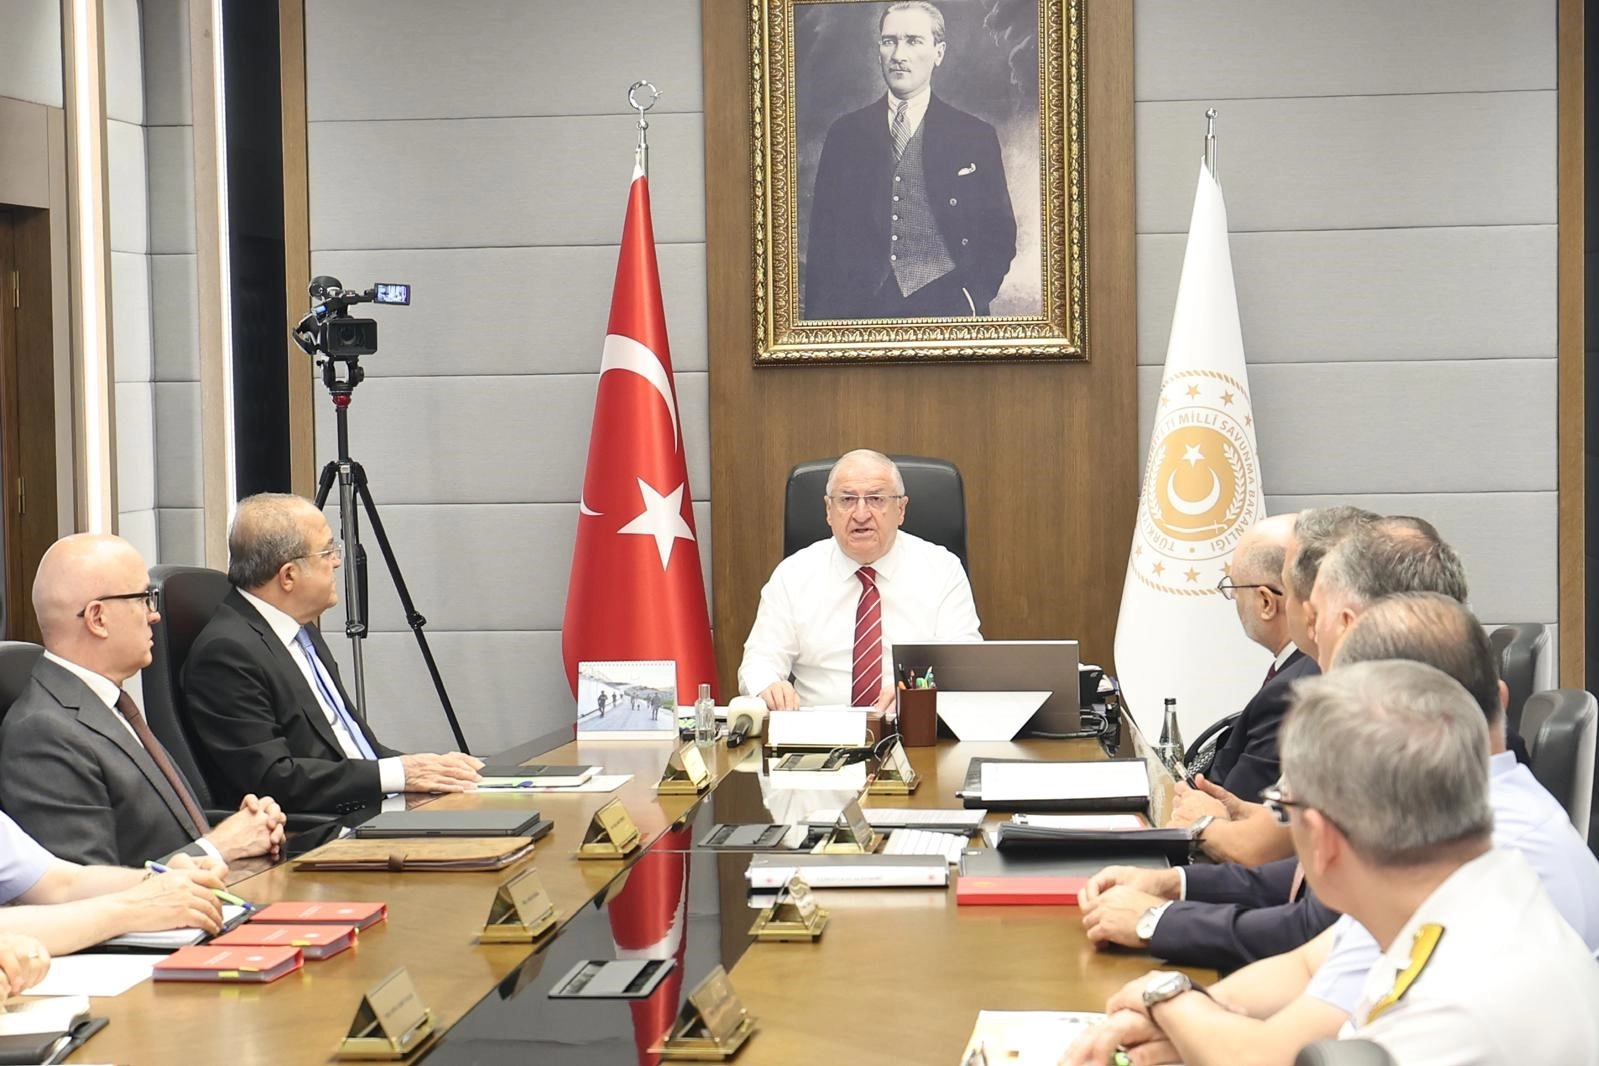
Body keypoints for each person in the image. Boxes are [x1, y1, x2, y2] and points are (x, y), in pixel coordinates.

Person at [1068, 597, 1599, 1066]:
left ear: (1322, 839)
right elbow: (1305, 966)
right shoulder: (1459, 883)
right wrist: (1184, 1014)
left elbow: (1269, 1054)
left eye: (1284, 805)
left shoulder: (1457, 1003)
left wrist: (1168, 998)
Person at [1165, 513, 1456, 867]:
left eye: (1314, 604)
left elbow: (1273, 860)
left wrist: (1204, 828)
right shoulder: (1417, 687)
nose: (1309, 620)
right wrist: (1239, 813)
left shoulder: (1371, 717)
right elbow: (1290, 832)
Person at [182, 494, 483, 813]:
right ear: (288, 575)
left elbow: (348, 747)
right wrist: (399, 774)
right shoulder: (226, 654)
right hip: (320, 829)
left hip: (366, 806)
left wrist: (430, 769)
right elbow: (272, 780)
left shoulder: (299, 629)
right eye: (327, 552)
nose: (337, 561)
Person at [0, 534, 286, 867]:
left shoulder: (108, 703)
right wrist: (218, 847)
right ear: (97, 618)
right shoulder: (42, 734)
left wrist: (245, 828)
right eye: (144, 598)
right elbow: (92, 886)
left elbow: (163, 833)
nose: (155, 615)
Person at [803, 1, 1017, 319]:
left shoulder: (975, 135)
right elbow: (822, 241)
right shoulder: (845, 134)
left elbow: (999, 232)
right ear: (879, 50)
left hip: (948, 308)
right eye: (889, 41)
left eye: (913, 41)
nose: (898, 55)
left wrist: (972, 297)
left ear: (938, 53)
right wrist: (819, 327)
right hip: (859, 309)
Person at [738, 449, 980, 710]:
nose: (861, 514)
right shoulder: (793, 574)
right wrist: (768, 687)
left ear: (900, 509)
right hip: (819, 727)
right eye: (847, 499)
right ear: (829, 510)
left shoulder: (942, 570)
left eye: (876, 499)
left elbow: (965, 665)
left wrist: (914, 691)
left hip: (911, 722)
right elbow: (759, 661)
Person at [1186, 514, 1318, 804]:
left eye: (1233, 588)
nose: (1233, 599)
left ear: (1266, 602)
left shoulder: (1291, 689)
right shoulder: (1301, 668)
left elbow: (1234, 806)